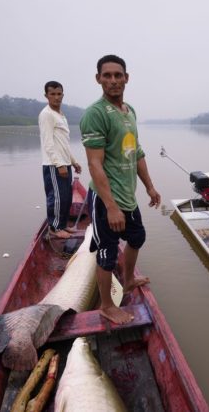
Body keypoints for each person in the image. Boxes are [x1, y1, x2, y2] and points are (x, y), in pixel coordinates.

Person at [80, 54, 161, 325]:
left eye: (118, 75)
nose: (113, 80)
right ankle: (106, 306)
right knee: (106, 252)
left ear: (127, 78)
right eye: (107, 75)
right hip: (106, 200)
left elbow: (135, 152)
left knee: (137, 237)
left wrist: (150, 187)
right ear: (98, 79)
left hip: (128, 197)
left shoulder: (130, 111)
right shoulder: (96, 114)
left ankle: (126, 282)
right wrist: (111, 206)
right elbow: (94, 164)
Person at [39, 81, 82, 239]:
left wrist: (73, 162)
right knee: (57, 198)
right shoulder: (47, 115)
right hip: (53, 165)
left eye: (59, 94)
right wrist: (59, 165)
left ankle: (63, 225)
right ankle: (55, 228)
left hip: (64, 164)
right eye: (53, 94)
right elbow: (48, 144)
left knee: (66, 197)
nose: (57, 97)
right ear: (46, 96)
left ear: (63, 95)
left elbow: (63, 144)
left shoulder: (61, 115)